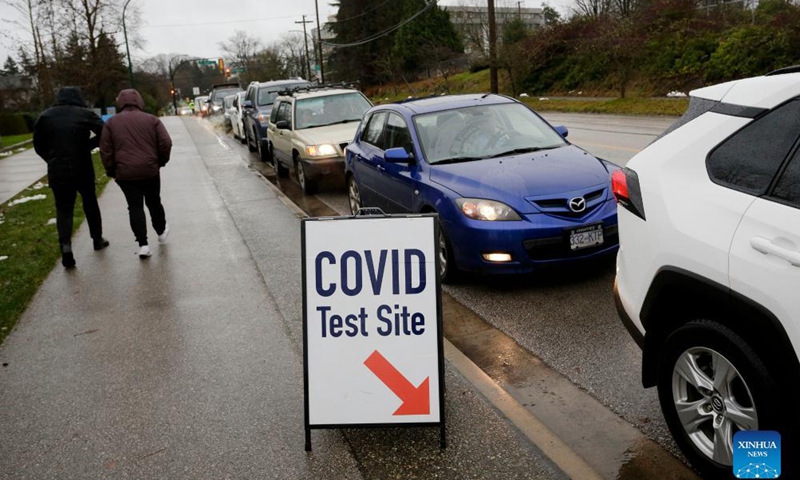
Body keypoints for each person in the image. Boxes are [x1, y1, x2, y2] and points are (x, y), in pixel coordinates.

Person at [33, 86, 109, 269]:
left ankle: (66, 247)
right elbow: (105, 132)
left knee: (64, 209)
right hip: (82, 165)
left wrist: (51, 157)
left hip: (58, 168)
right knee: (90, 202)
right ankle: (97, 238)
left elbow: (38, 144)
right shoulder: (84, 114)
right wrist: (87, 146)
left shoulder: (45, 116)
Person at [100, 89, 172, 259]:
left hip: (125, 173)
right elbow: (166, 142)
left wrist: (111, 169)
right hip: (149, 170)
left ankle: (143, 245)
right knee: (154, 201)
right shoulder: (151, 120)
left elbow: (105, 150)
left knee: (134, 206)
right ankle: (161, 232)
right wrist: (160, 161)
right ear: (139, 101)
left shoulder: (110, 123)